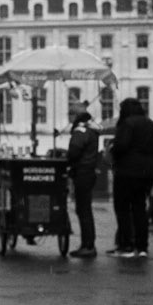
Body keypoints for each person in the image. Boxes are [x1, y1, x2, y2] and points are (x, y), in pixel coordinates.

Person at [109, 97, 153, 260]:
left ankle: (127, 244)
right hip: (146, 172)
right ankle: (142, 246)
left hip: (127, 171)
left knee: (123, 209)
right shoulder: (152, 125)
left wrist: (113, 151)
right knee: (140, 209)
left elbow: (121, 146)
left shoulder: (127, 124)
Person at [65, 105, 100, 256]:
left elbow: (74, 151)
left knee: (83, 209)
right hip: (89, 171)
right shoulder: (92, 130)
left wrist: (68, 161)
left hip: (82, 172)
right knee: (86, 209)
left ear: (74, 116)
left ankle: (88, 245)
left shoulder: (80, 131)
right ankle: (88, 243)